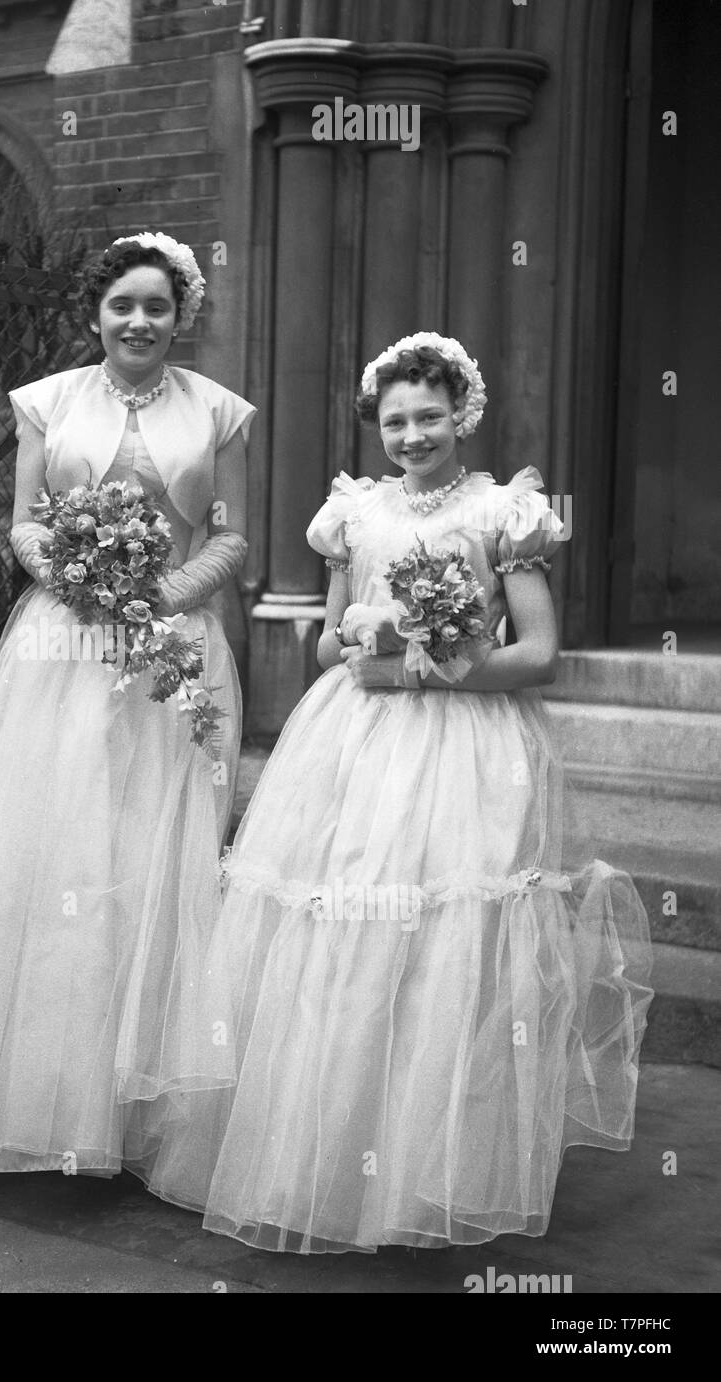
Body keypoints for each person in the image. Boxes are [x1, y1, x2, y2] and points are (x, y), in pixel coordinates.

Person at [136, 332, 653, 1251]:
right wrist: (369, 636)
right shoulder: (353, 515)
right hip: (355, 740)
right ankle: (329, 1156)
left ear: (464, 415)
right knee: (341, 919)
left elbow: (538, 654)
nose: (413, 434)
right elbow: (330, 642)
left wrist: (433, 662)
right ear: (377, 426)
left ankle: (431, 1164)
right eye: (396, 420)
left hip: (464, 744)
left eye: (431, 416)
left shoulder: (506, 513)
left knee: (445, 933)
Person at [0, 233, 256, 1173]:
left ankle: (144, 1114)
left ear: (182, 317)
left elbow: (230, 537)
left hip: (169, 652)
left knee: (152, 844)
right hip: (60, 644)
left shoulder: (220, 412)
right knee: (54, 842)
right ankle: (39, 1101)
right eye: (121, 306)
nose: (139, 322)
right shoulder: (47, 402)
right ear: (94, 314)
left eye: (158, 307)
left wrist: (160, 598)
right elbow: (23, 522)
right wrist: (82, 580)